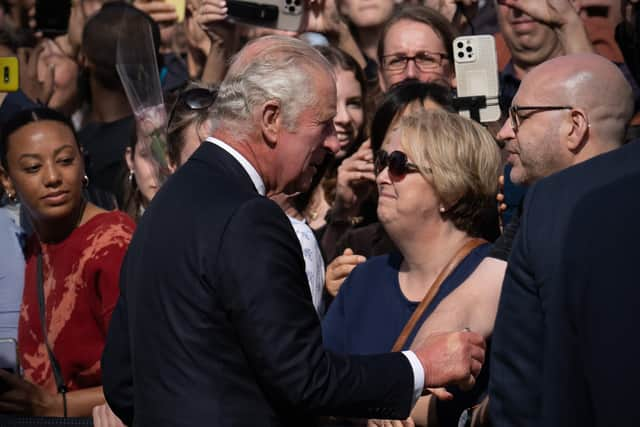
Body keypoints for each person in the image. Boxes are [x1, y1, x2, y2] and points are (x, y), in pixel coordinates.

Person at [102, 35, 486, 427]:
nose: (334, 143)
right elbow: (304, 379)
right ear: (271, 119)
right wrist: (421, 366)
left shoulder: (166, 204)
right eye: (322, 125)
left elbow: (122, 382)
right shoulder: (249, 217)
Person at [407, 53, 633, 425]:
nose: (503, 133)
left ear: (574, 126)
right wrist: (419, 377)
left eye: (520, 117)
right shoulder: (537, 212)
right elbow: (472, 303)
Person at [323, 109, 501, 426]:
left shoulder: (496, 278)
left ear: (453, 189)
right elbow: (319, 387)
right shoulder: (364, 278)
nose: (381, 177)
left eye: (399, 165)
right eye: (382, 162)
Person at [0, 107, 135, 417]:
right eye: (33, 167)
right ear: (7, 179)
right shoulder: (36, 245)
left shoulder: (112, 241)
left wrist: (50, 406)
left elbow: (145, 377)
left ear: (83, 164)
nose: (52, 178)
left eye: (65, 161)